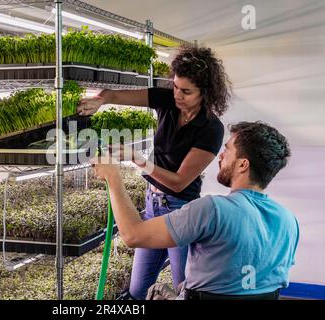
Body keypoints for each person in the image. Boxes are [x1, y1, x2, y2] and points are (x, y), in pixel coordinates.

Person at [78, 45, 232, 299]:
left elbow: (180, 182)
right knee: (138, 290)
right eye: (174, 87)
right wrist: (100, 99)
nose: (177, 95)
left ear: (205, 93)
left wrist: (137, 160)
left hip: (181, 210)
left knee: (185, 288)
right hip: (152, 206)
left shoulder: (211, 129)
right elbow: (115, 96)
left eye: (186, 91)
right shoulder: (168, 101)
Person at [91, 121, 299, 300]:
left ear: (243, 164)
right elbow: (249, 281)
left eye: (227, 150)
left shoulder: (213, 210)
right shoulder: (288, 221)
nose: (220, 156)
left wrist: (114, 178)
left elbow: (133, 236)